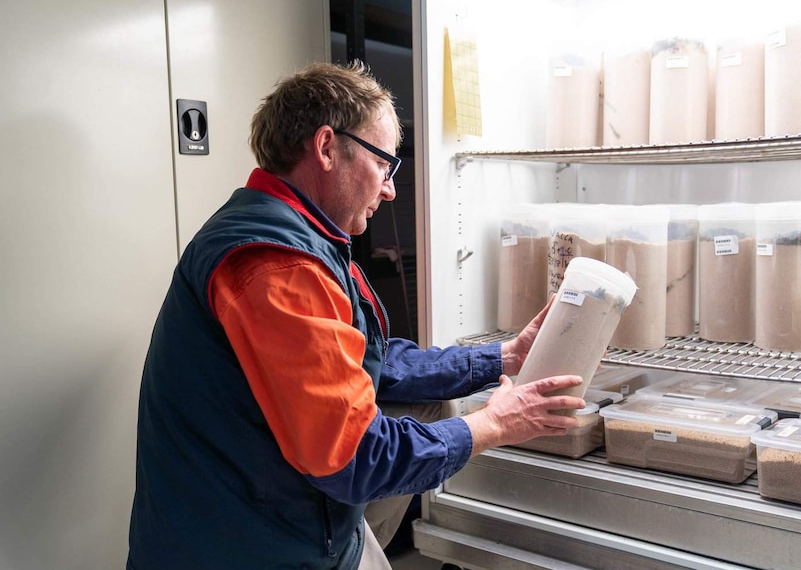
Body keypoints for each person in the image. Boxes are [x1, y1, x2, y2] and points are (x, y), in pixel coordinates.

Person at [126, 60, 585, 570]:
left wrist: (502, 356)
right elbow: (354, 457)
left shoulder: (298, 236)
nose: (390, 189)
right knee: (430, 429)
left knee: (431, 409)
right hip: (244, 546)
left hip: (278, 515)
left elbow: (373, 362)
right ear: (326, 148)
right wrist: (495, 423)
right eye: (385, 164)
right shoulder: (276, 265)